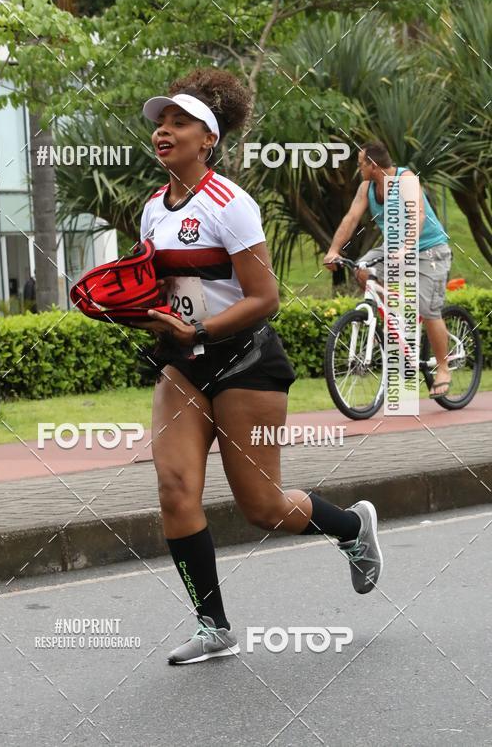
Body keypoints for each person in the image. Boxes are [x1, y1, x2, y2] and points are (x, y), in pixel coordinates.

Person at [135, 67, 384, 665]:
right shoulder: (152, 209)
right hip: (183, 367)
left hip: (246, 363)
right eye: (160, 123)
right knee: (174, 491)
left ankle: (351, 529)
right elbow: (163, 289)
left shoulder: (231, 205)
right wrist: (135, 310)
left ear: (208, 139)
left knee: (263, 508)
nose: (164, 132)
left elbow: (263, 298)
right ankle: (213, 625)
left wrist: (198, 327)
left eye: (179, 122)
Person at [323, 140, 453, 397]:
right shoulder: (366, 188)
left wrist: (406, 248)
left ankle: (443, 368)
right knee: (361, 268)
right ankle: (393, 313)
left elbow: (418, 215)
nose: (359, 169)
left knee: (428, 309)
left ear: (372, 165)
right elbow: (350, 219)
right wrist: (333, 250)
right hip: (394, 248)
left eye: (361, 164)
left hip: (429, 250)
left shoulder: (405, 179)